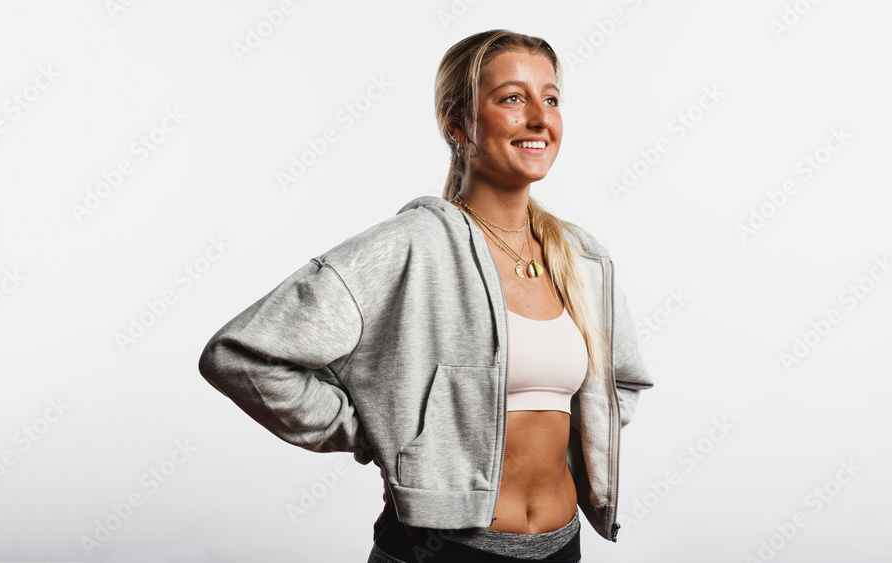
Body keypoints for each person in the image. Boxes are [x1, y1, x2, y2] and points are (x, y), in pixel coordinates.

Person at [198, 29, 654, 563]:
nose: (539, 118)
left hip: (562, 547)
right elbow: (242, 355)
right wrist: (380, 431)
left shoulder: (581, 258)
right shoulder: (409, 246)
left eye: (551, 98)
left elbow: (621, 381)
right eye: (512, 98)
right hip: (442, 552)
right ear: (456, 123)